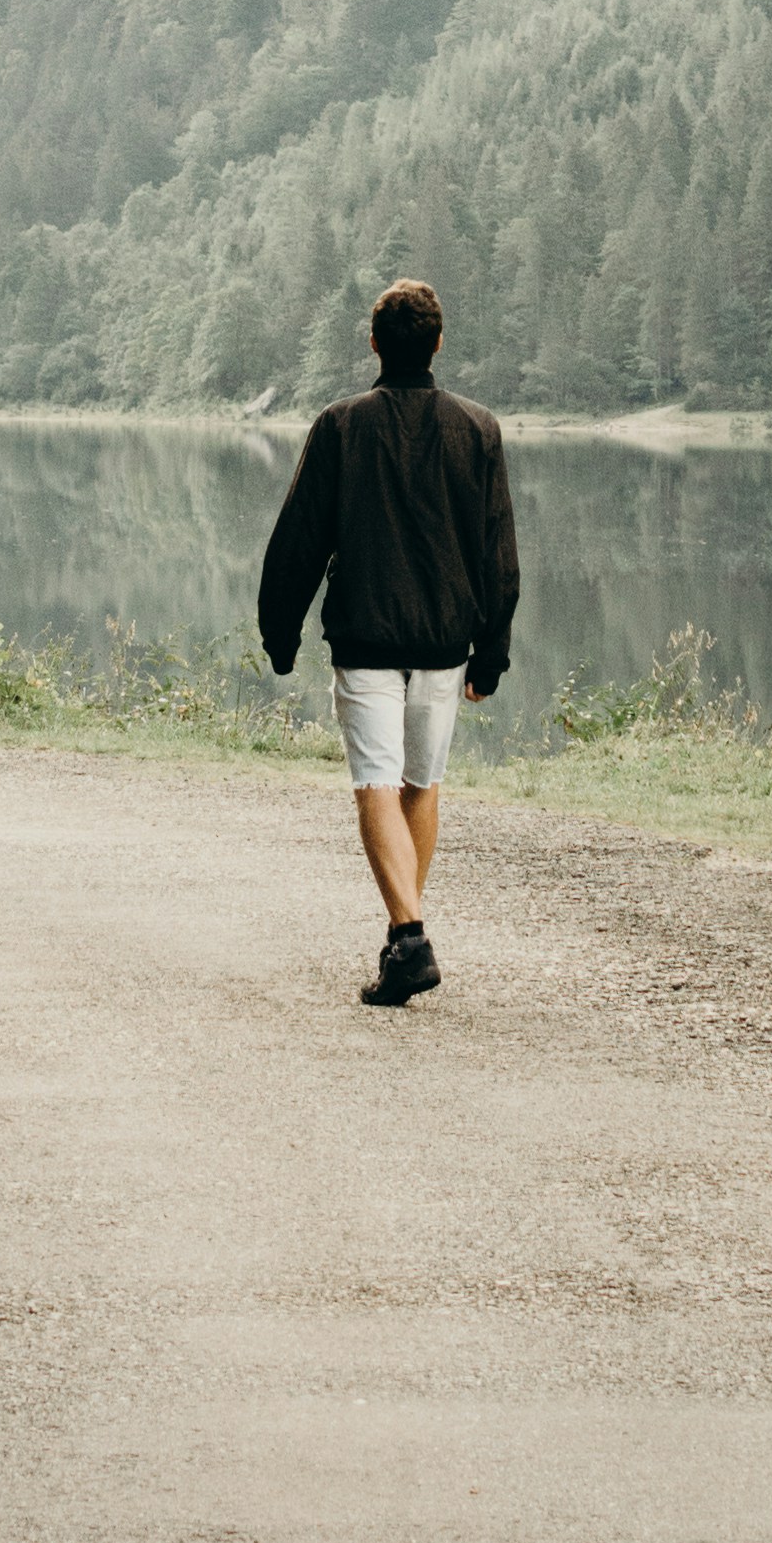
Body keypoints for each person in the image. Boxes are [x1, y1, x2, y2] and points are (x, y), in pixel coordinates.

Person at [256, 278, 520, 1005]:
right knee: (420, 785)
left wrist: (280, 632)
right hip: (445, 641)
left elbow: (298, 543)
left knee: (375, 781)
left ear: (375, 343)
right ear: (437, 344)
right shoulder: (478, 428)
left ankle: (408, 935)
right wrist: (490, 652)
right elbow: (498, 551)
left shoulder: (341, 426)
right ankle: (406, 934)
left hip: (366, 636)